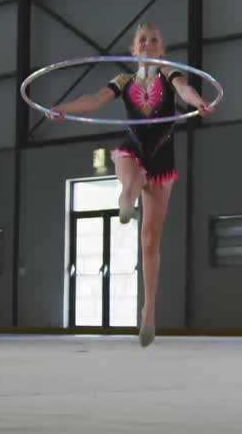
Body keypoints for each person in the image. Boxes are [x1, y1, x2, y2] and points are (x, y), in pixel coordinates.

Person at [45, 22, 213, 347]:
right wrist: (63, 110)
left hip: (162, 161)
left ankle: (148, 309)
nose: (148, 44)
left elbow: (184, 91)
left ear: (162, 49)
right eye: (142, 41)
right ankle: (127, 197)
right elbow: (94, 100)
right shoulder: (123, 81)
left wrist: (198, 102)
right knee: (128, 172)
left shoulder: (168, 73)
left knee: (149, 240)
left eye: (154, 40)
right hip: (132, 149)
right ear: (133, 50)